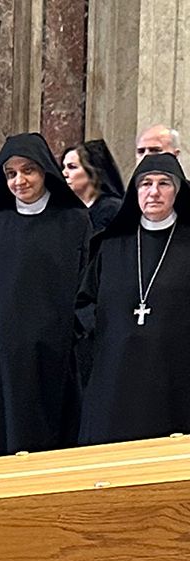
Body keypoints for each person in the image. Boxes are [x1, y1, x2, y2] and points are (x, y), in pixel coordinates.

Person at [0, 133, 91, 463]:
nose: (19, 181)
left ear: (45, 172)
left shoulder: (74, 222)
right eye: (10, 174)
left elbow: (85, 287)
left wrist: (69, 336)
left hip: (49, 356)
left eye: (28, 171)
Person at [76, 154, 190, 445]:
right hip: (115, 374)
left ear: (178, 191)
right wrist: (107, 333)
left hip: (175, 373)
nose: (154, 192)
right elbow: (84, 303)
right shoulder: (110, 245)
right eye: (145, 184)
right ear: (135, 192)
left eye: (164, 184)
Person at [62, 141, 125, 232]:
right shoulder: (67, 210)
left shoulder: (112, 209)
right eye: (63, 167)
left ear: (92, 171)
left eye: (72, 167)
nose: (64, 173)